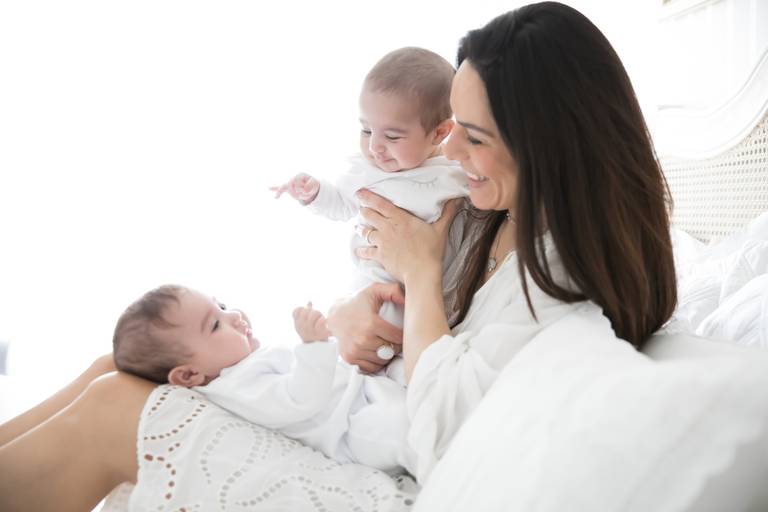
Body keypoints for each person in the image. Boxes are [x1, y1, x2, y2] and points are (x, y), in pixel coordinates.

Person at [0, 2, 677, 511]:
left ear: (547, 144)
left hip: (396, 473)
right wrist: (353, 312)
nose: (446, 152)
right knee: (115, 366)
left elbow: (441, 430)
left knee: (116, 408)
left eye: (470, 136)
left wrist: (416, 272)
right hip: (364, 398)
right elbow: (393, 291)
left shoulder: (559, 277)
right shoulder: (489, 211)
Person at [271, 46, 467, 366]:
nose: (375, 146)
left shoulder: (453, 174)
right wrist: (315, 193)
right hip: (372, 283)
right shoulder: (366, 171)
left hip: (431, 292)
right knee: (359, 353)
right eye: (366, 129)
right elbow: (342, 205)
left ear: (440, 132)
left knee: (396, 357)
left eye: (393, 136)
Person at [112, 284, 413, 475]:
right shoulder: (235, 388)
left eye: (222, 306)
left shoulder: (244, 365)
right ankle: (427, 452)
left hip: (363, 393)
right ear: (189, 374)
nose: (235, 316)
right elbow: (299, 399)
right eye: (215, 324)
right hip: (349, 430)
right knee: (401, 428)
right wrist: (313, 345)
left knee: (407, 369)